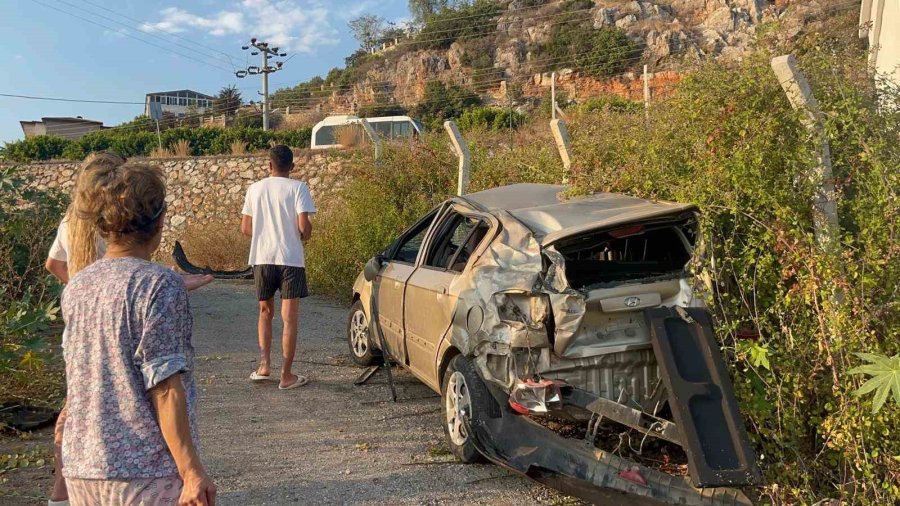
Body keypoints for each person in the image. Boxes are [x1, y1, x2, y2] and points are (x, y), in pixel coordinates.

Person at [45, 153, 213, 506]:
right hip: (144, 470)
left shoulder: (78, 286)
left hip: (83, 468)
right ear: (160, 221)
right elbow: (165, 387)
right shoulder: (160, 285)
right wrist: (191, 470)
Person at [240, 145, 315, 390]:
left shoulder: (255, 189)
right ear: (292, 167)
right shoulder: (299, 188)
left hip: (262, 257)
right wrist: (300, 233)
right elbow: (304, 228)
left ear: (269, 165)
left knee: (265, 314)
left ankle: (264, 367)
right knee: (289, 319)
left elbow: (246, 228)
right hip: (290, 259)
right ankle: (286, 375)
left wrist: (265, 232)